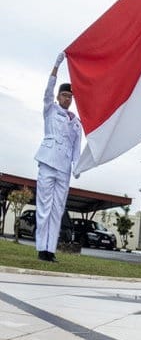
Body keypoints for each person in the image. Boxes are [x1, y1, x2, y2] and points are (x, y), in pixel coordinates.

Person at [33, 52, 82, 263]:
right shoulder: (50, 109)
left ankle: (50, 250)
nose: (67, 99)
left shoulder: (75, 121)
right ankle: (41, 249)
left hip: (64, 168)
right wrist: (57, 65)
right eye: (64, 95)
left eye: (70, 97)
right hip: (47, 162)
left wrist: (77, 167)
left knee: (57, 209)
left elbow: (76, 147)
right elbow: (47, 90)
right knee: (44, 205)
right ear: (58, 96)